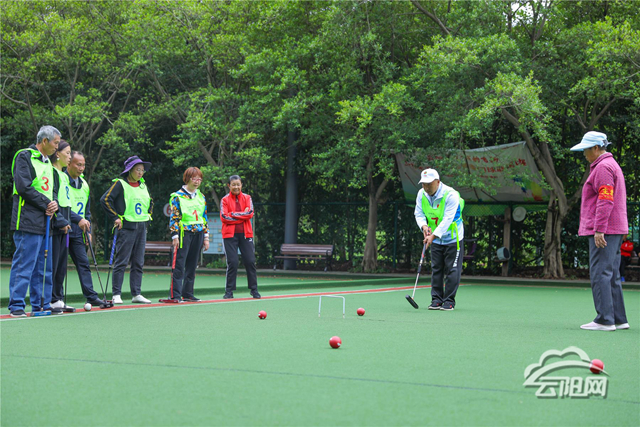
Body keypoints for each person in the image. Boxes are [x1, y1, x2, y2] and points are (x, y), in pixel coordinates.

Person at [571, 131, 629, 331]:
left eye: (586, 149)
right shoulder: (611, 164)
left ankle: (605, 319)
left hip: (606, 229)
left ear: (596, 148)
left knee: (600, 272)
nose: (584, 154)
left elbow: (605, 200)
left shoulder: (603, 167)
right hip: (615, 228)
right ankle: (618, 318)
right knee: (611, 274)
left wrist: (599, 229)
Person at [8, 125, 61, 317]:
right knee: (24, 264)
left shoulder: (50, 166)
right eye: (55, 143)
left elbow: (51, 191)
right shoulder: (24, 156)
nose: (57, 147)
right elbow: (24, 187)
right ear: (44, 141)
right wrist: (46, 203)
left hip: (45, 221)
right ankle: (16, 306)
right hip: (27, 220)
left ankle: (41, 305)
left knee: (43, 267)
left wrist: (53, 205)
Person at [100, 156, 154, 304]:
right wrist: (115, 217)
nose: (140, 173)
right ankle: (116, 294)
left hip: (141, 226)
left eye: (142, 170)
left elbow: (150, 201)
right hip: (127, 227)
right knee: (122, 261)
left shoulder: (143, 186)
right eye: (137, 170)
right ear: (130, 170)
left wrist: (148, 216)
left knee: (138, 262)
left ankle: (136, 293)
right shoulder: (120, 184)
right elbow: (105, 199)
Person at [414, 168, 464, 311]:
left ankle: (449, 301)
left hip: (453, 237)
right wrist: (424, 226)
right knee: (436, 269)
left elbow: (447, 219)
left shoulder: (450, 195)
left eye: (429, 183)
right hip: (435, 238)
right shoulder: (421, 194)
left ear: (438, 182)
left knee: (452, 269)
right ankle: (436, 300)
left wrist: (433, 236)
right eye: (424, 183)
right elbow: (419, 213)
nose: (426, 187)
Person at [62, 151, 106, 306]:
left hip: (79, 231)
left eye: (83, 165)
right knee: (59, 266)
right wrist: (78, 219)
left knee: (84, 264)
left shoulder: (85, 184)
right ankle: (57, 298)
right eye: (78, 164)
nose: (81, 168)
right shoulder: (61, 180)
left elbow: (87, 212)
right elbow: (62, 207)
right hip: (62, 229)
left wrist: (88, 230)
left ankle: (91, 296)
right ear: (69, 163)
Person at [165, 167, 210, 302]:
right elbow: (174, 217)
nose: (197, 182)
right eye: (194, 178)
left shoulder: (201, 197)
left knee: (192, 264)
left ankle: (188, 293)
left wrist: (206, 237)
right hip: (183, 233)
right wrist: (175, 235)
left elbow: (204, 217)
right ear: (187, 179)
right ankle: (175, 295)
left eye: (199, 179)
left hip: (198, 232)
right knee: (179, 264)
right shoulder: (177, 196)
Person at [220, 175, 260, 299]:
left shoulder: (247, 198)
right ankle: (229, 291)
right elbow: (224, 217)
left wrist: (233, 214)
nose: (236, 187)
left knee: (250, 261)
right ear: (229, 186)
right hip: (229, 235)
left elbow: (250, 213)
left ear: (241, 185)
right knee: (232, 262)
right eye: (233, 184)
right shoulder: (225, 200)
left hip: (246, 234)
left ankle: (254, 290)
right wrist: (242, 216)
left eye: (238, 184)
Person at [50, 140, 73, 309]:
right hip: (56, 226)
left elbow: (66, 202)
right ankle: (50, 299)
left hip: (66, 226)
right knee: (53, 263)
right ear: (57, 154)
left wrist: (71, 221)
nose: (70, 157)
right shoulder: (51, 173)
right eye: (67, 153)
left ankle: (58, 298)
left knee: (62, 265)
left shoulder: (64, 175)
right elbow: (52, 199)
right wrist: (60, 222)